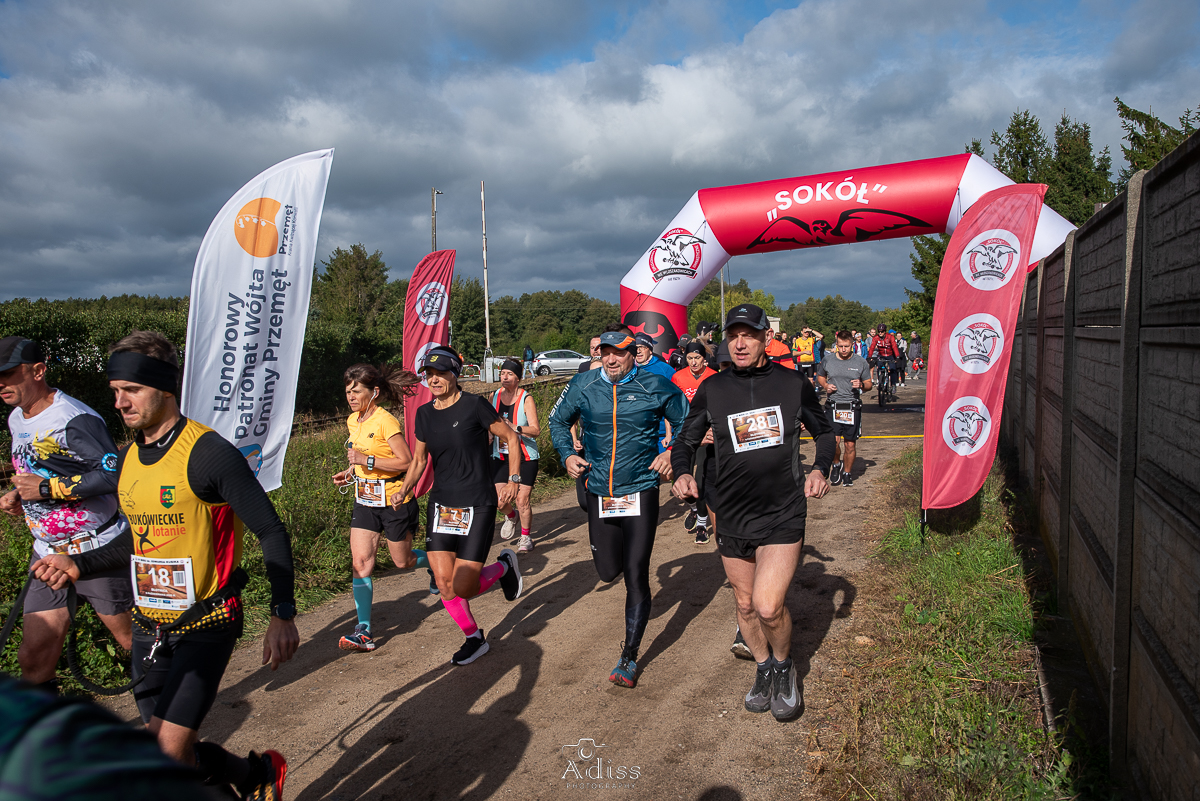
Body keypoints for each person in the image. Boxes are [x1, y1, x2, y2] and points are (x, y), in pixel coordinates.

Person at [31, 330, 298, 799]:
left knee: (166, 756)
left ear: (164, 387)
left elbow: (270, 530)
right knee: (172, 755)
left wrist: (282, 614)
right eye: (114, 391)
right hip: (151, 626)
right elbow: (139, 539)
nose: (120, 402)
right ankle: (254, 775)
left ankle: (253, 776)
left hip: (208, 623)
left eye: (131, 390)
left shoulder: (208, 453)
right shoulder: (130, 457)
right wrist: (78, 564)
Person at [670, 304, 834, 722]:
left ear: (765, 339)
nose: (739, 343)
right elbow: (686, 439)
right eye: (733, 335)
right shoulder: (713, 388)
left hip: (782, 510)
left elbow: (825, 431)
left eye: (749, 335)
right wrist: (683, 473)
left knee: (766, 606)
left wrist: (818, 469)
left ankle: (784, 666)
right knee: (744, 606)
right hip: (731, 511)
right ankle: (764, 669)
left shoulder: (792, 383)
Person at [549, 331, 687, 688]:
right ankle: (623, 579)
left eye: (619, 353)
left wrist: (671, 452)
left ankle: (629, 655)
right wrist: (567, 453)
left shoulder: (656, 385)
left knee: (635, 571)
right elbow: (557, 421)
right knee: (608, 572)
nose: (611, 359)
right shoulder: (583, 384)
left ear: (634, 354)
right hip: (600, 492)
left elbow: (688, 420)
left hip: (640, 490)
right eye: (606, 353)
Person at [0, 336, 132, 693]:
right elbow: (43, 469)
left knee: (134, 642)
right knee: (34, 655)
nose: (1, 383)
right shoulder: (16, 418)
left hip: (95, 547)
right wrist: (19, 495)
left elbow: (112, 475)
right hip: (47, 552)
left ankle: (174, 723)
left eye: (9, 374)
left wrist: (43, 491)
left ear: (39, 370)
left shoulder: (73, 418)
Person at [390, 346, 523, 666]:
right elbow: (420, 459)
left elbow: (511, 438)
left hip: (477, 502)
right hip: (442, 506)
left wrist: (514, 479)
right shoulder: (424, 414)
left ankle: (504, 566)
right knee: (444, 582)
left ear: (455, 374)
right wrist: (405, 489)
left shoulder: (474, 405)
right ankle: (473, 637)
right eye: (429, 374)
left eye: (440, 373)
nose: (433, 379)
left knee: (463, 584)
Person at [332, 362, 428, 652]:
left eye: (356, 391)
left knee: (403, 561)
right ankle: (364, 629)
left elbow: (407, 462)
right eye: (348, 391)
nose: (350, 396)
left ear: (374, 392)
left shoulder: (386, 421)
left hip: (395, 500)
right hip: (365, 500)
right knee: (360, 562)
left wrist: (366, 462)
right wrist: (350, 472)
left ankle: (435, 563)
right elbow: (359, 457)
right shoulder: (353, 420)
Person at [491, 359, 541, 554]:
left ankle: (526, 536)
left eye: (509, 374)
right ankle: (511, 516)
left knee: (522, 500)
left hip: (525, 456)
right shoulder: (494, 396)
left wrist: (515, 428)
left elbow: (536, 430)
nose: (504, 377)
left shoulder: (526, 398)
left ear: (518, 378)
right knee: (500, 501)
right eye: (502, 373)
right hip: (500, 456)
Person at [670, 341, 717, 544]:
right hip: (684, 435)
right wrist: (669, 433)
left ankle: (701, 526)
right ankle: (694, 509)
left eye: (697, 358)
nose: (694, 362)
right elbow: (670, 407)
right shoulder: (678, 377)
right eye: (690, 358)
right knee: (678, 479)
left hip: (705, 435)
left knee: (699, 480)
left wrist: (711, 430)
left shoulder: (714, 377)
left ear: (704, 359)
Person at [816, 331, 872, 487]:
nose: (843, 349)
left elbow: (869, 384)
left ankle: (847, 473)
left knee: (850, 444)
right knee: (833, 443)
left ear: (852, 344)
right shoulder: (828, 360)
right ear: (836, 344)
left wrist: (861, 385)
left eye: (846, 346)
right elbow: (820, 376)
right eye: (840, 346)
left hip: (852, 406)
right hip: (833, 405)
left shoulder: (860, 362)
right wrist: (826, 385)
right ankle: (836, 464)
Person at [869, 325, 900, 399]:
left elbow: (894, 347)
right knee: (879, 367)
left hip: (890, 355)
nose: (880, 333)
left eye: (882, 332)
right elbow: (872, 347)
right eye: (879, 331)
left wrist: (897, 356)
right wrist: (869, 356)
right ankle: (880, 382)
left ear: (885, 331)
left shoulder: (890, 337)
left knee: (892, 369)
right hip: (881, 355)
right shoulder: (876, 338)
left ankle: (893, 385)